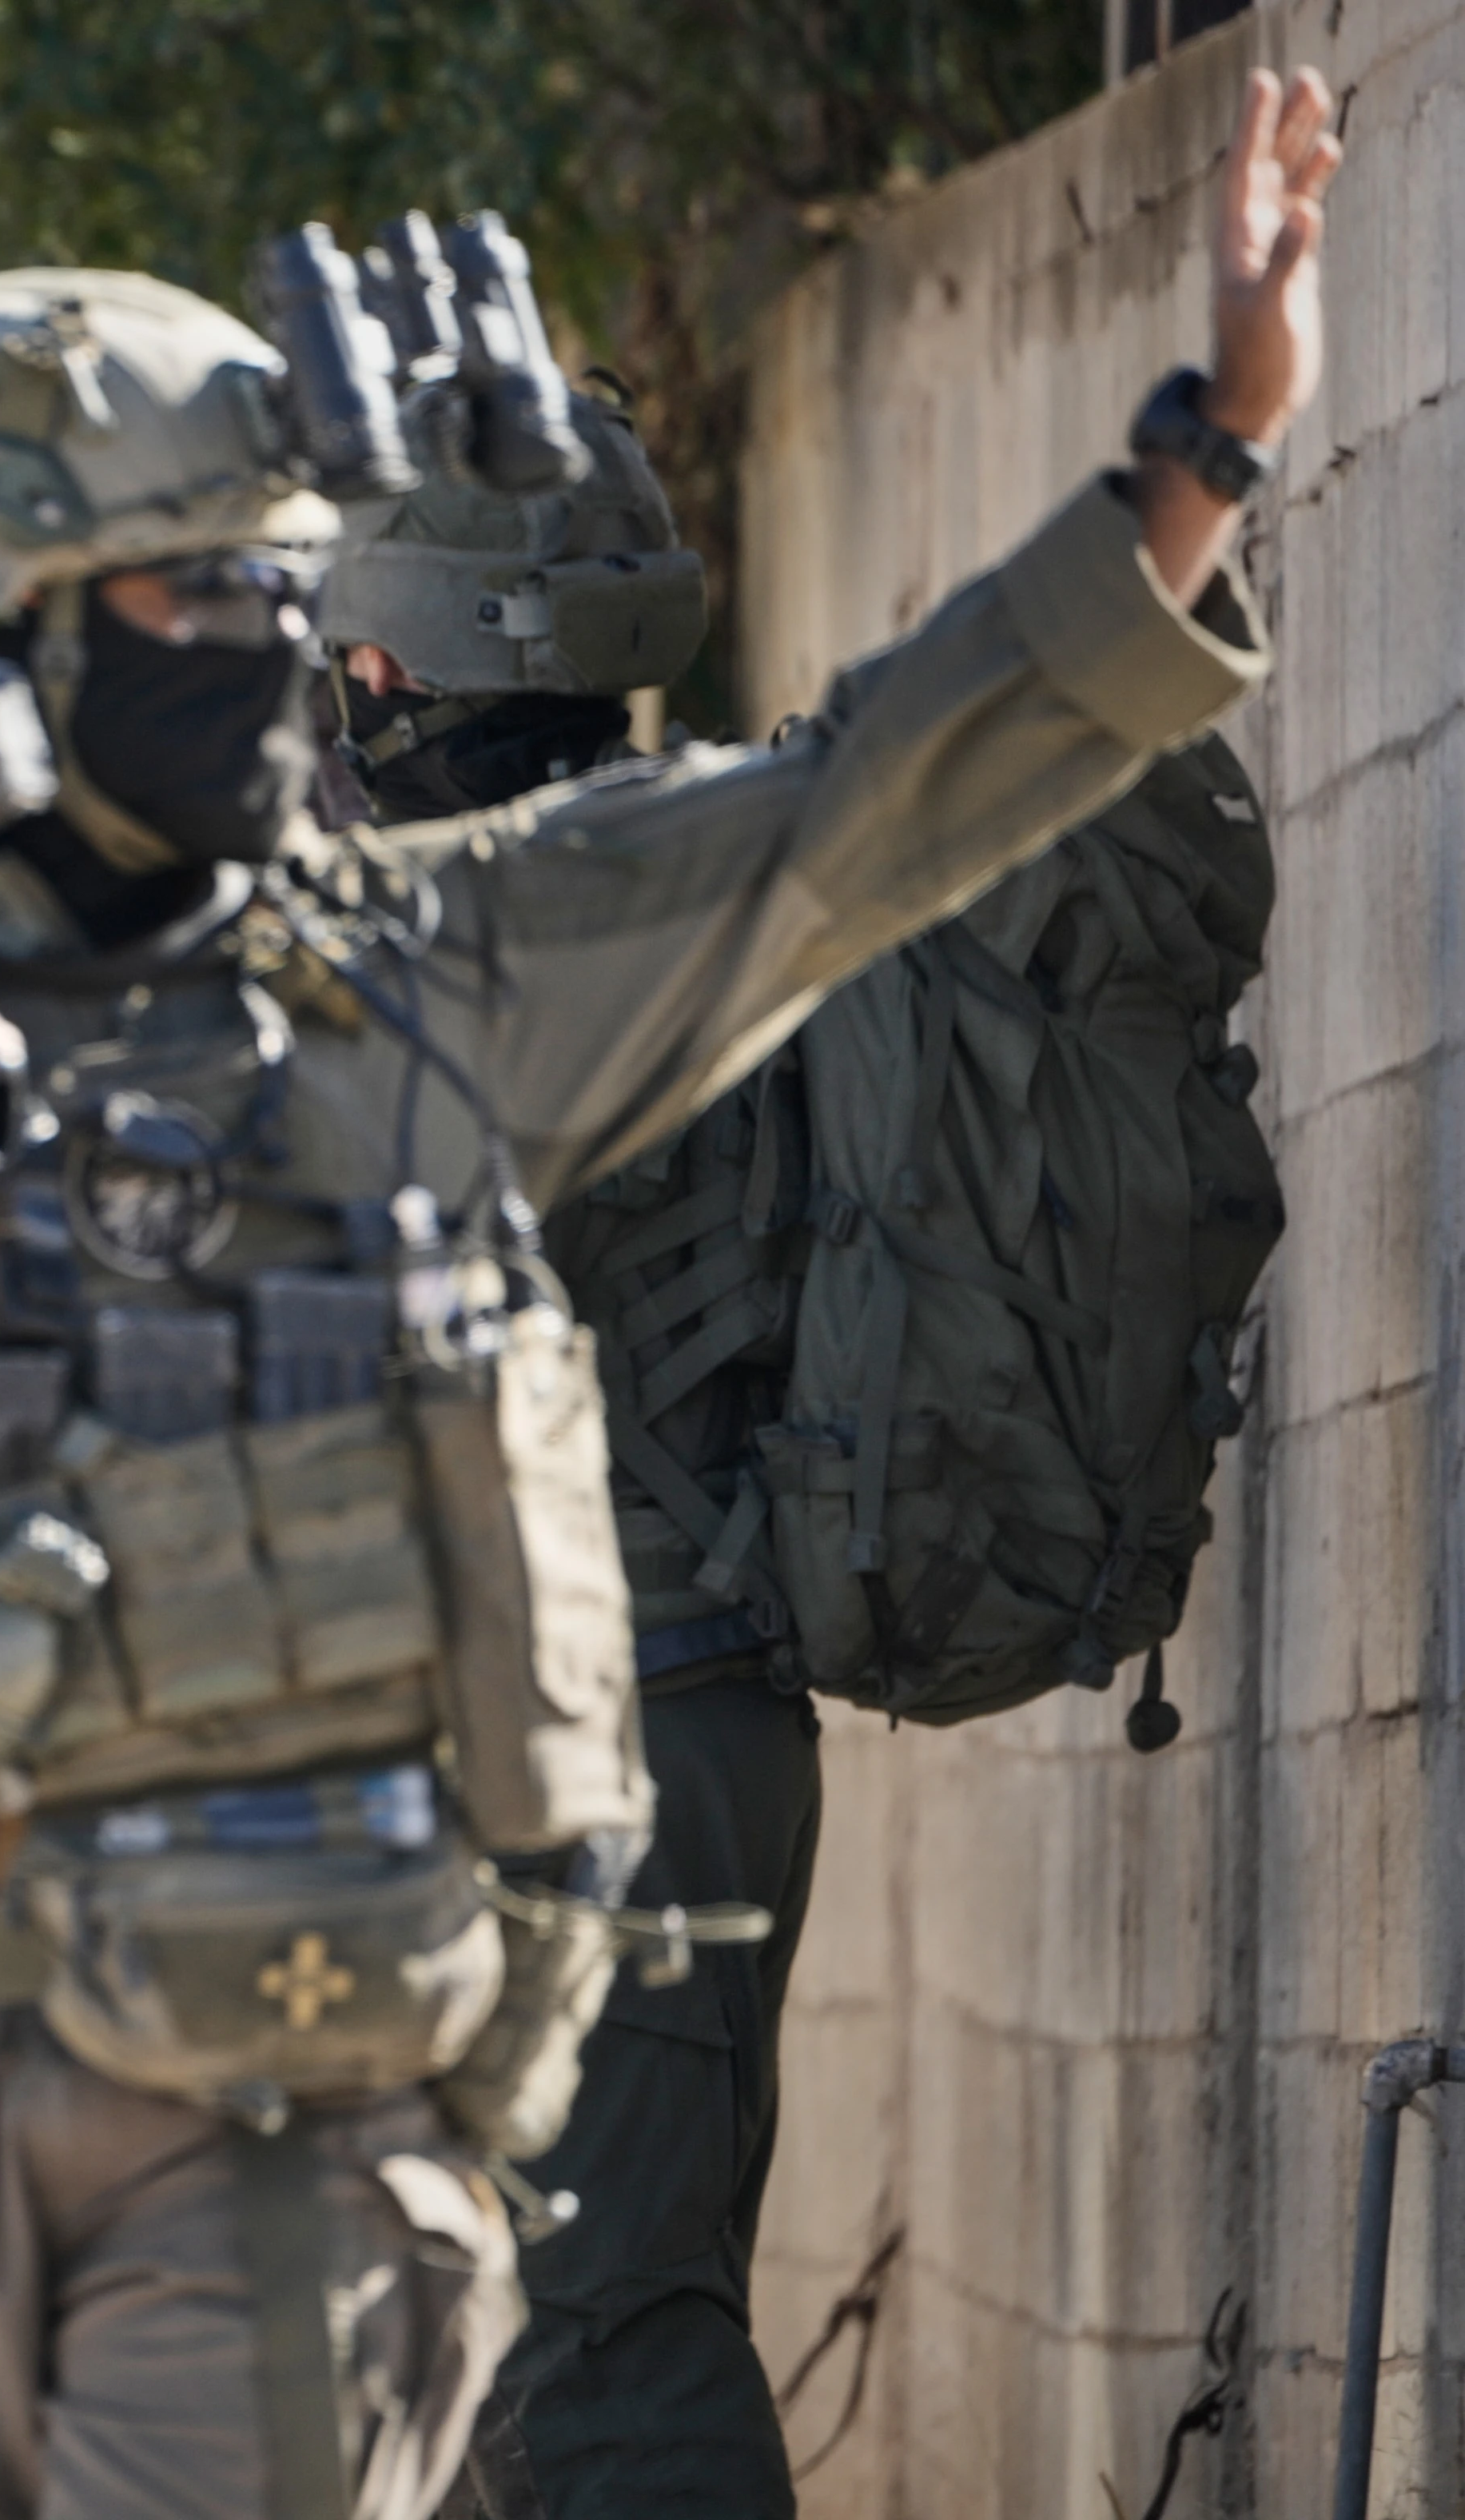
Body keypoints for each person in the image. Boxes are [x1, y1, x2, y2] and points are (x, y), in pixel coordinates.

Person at [0, 68, 1334, 2520]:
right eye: (197, 595)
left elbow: (845, 816)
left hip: (287, 2070)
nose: (273, 644)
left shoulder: (408, 977)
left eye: (280, 586)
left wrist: (1192, 453)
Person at [320, 395, 1279, 2520]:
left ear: (385, 663)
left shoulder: (495, 933)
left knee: (591, 2365)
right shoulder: (699, 867)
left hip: (597, 1751)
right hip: (627, 1730)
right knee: (484, 2370)